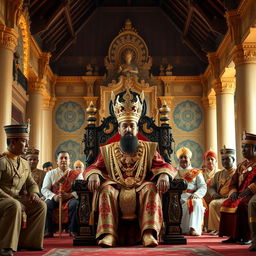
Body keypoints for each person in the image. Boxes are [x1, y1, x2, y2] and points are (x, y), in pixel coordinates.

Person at [84, 90, 177, 247]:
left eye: (131, 126)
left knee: (150, 188)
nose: (128, 129)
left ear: (137, 129)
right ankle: (108, 234)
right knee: (106, 191)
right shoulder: (107, 150)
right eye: (124, 126)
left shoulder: (149, 148)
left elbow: (165, 165)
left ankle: (148, 233)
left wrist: (164, 176)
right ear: (119, 130)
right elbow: (93, 166)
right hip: (116, 186)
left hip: (140, 187)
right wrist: (93, 174)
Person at [0, 123, 46, 256]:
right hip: (3, 200)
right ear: (13, 142)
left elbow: (31, 183)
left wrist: (34, 193)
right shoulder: (2, 161)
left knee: (40, 205)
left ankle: (29, 243)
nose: (27, 146)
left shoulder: (25, 163)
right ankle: (6, 247)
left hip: (15, 200)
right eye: (24, 142)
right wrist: (14, 201)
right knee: (14, 205)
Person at [219, 132, 256, 244]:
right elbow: (233, 182)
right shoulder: (241, 165)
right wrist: (233, 192)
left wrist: (249, 190)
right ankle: (234, 235)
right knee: (227, 203)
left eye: (246, 147)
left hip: (252, 194)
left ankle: (247, 237)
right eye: (242, 147)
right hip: (240, 194)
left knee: (242, 204)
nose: (243, 150)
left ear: (254, 148)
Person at [41, 151, 84, 238]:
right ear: (57, 161)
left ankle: (73, 230)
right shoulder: (50, 174)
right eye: (61, 158)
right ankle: (48, 231)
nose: (63, 160)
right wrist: (54, 196)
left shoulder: (77, 174)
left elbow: (81, 189)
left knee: (75, 204)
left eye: (66, 158)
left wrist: (69, 195)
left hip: (69, 198)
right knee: (46, 205)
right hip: (55, 198)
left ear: (69, 161)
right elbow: (44, 189)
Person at [176, 147, 207, 236]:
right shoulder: (174, 172)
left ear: (190, 159)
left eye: (185, 157)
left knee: (195, 202)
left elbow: (203, 186)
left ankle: (193, 228)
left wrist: (196, 194)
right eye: (181, 157)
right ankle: (181, 229)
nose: (183, 159)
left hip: (192, 196)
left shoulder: (196, 172)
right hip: (178, 197)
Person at [207, 147, 236, 235]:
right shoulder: (218, 174)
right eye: (223, 159)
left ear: (233, 160)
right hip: (219, 198)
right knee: (213, 202)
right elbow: (211, 187)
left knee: (214, 204)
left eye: (227, 159)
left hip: (231, 197)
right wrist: (213, 194)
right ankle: (216, 228)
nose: (224, 161)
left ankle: (219, 229)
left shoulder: (237, 172)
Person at [201, 150, 219, 232]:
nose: (210, 161)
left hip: (215, 196)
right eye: (208, 159)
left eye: (212, 159)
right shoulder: (200, 172)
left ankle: (214, 227)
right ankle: (203, 226)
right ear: (205, 161)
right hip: (203, 197)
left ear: (216, 161)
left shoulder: (219, 172)